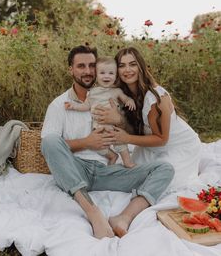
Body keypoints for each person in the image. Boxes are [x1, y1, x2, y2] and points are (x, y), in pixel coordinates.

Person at [41, 45, 174, 239]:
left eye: (91, 66)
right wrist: (87, 142)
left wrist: (119, 119)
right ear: (71, 69)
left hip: (107, 170)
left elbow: (131, 131)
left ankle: (123, 218)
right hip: (76, 169)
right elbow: (49, 147)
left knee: (165, 169)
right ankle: (93, 213)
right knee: (50, 140)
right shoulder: (59, 105)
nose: (87, 71)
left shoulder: (113, 94)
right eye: (80, 66)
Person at [94, 46, 202, 191]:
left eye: (132, 64)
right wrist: (118, 120)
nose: (127, 70)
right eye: (122, 65)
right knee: (132, 176)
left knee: (162, 185)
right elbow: (137, 131)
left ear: (141, 67)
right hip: (150, 146)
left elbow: (162, 139)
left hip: (179, 146)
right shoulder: (122, 94)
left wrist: (126, 138)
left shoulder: (156, 98)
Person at [64, 56, 135, 167]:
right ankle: (112, 156)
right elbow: (86, 106)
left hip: (114, 127)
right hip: (99, 128)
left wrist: (129, 100)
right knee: (99, 148)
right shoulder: (92, 92)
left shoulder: (116, 91)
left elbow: (125, 98)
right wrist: (73, 106)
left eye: (111, 73)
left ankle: (127, 161)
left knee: (121, 144)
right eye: (102, 73)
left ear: (116, 75)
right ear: (96, 75)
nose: (107, 76)